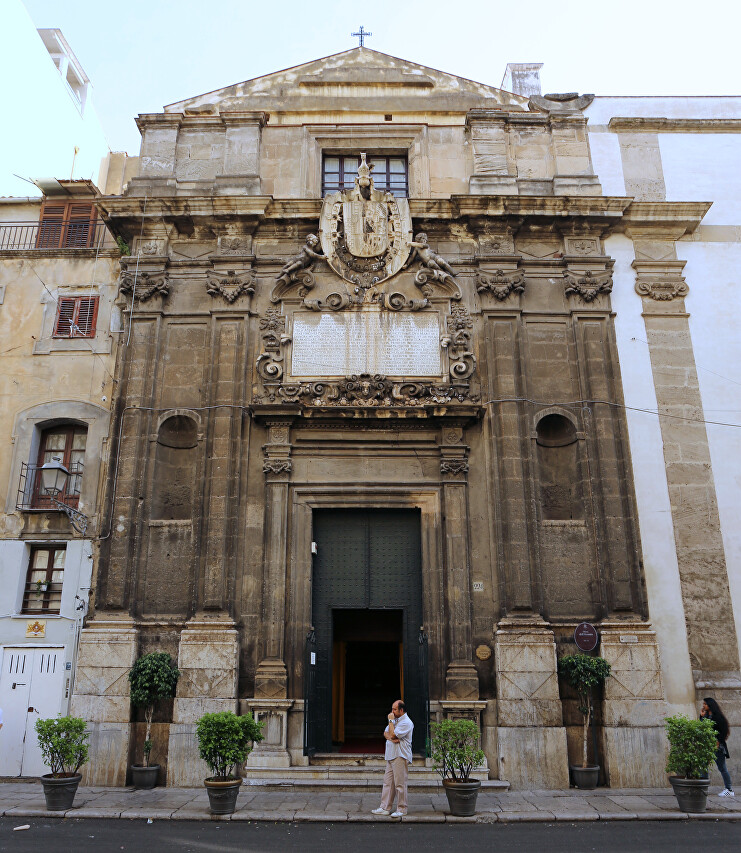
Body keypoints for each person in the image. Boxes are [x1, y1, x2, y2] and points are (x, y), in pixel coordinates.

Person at [371, 699, 414, 818]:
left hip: (400, 755)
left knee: (400, 784)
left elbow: (393, 734)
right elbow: (386, 733)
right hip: (391, 754)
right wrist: (391, 737)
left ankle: (402, 808)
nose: (392, 712)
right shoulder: (395, 720)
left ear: (401, 710)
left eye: (394, 709)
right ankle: (385, 807)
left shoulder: (406, 722)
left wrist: (391, 724)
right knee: (388, 783)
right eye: (392, 709)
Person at [701, 697, 734, 796]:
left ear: (710, 705)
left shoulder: (718, 717)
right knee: (703, 765)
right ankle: (703, 787)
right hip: (708, 746)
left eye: (705, 704)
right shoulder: (707, 716)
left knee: (722, 768)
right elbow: (702, 728)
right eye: (703, 704)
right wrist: (701, 716)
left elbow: (724, 731)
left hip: (717, 747)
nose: (703, 705)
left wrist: (718, 742)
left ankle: (729, 789)